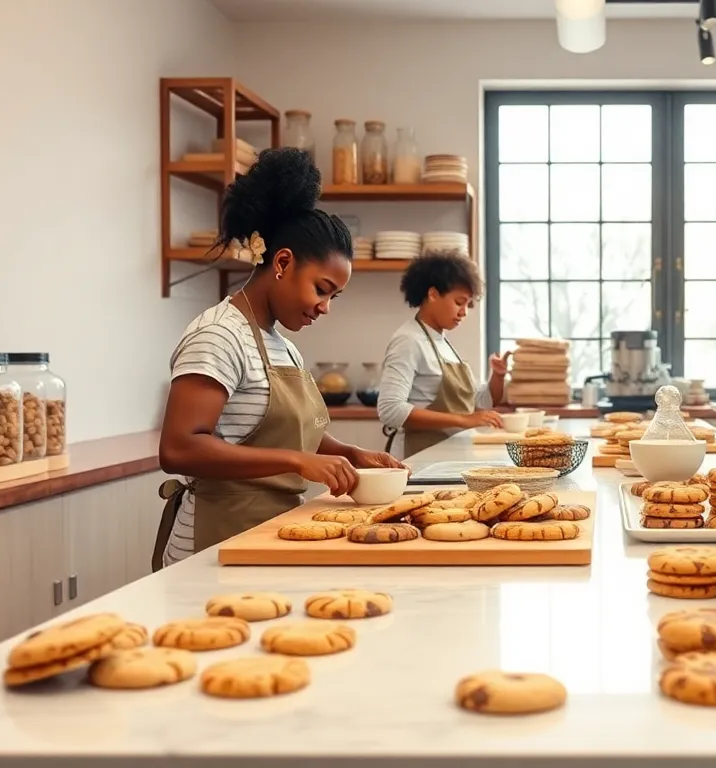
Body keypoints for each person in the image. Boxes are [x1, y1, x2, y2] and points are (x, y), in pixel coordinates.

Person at [154, 148, 405, 570]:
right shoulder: (218, 334)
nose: (325, 306)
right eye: (322, 289)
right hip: (214, 541)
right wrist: (296, 461)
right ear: (283, 262)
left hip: (268, 531)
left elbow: (288, 432)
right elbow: (179, 448)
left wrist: (349, 452)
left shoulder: (281, 344)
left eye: (334, 297)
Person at [378, 252, 510, 458]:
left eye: (468, 305)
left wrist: (498, 376)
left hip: (448, 455)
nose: (464, 312)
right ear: (433, 294)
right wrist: (463, 420)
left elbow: (480, 402)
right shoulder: (409, 340)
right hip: (418, 457)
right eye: (459, 302)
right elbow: (390, 410)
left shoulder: (443, 342)